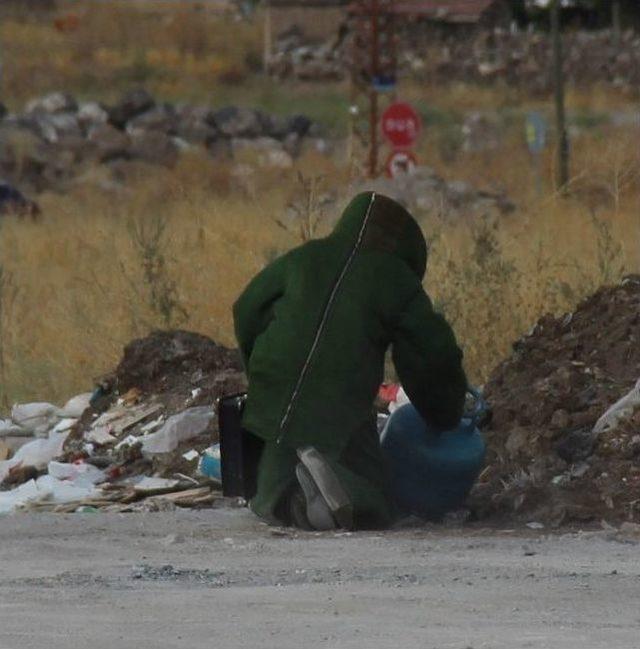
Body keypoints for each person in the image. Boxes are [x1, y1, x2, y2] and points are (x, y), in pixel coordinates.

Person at [233, 191, 467, 530]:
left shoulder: (304, 257)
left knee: (269, 496)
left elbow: (246, 311)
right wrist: (444, 413)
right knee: (379, 503)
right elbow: (432, 357)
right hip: (338, 400)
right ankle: (332, 485)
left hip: (272, 393)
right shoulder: (396, 280)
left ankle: (300, 489)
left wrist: (260, 370)